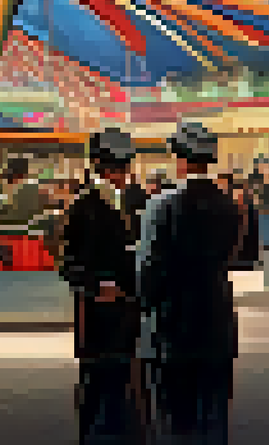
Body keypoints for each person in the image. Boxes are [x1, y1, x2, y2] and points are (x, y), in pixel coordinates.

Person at [138, 122, 243, 444]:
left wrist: (145, 306)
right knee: (214, 413)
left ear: (179, 160)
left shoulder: (161, 204)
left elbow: (150, 265)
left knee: (175, 416)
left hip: (172, 323)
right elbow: (231, 254)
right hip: (216, 319)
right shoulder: (230, 206)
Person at [61, 128, 144, 445]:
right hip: (96, 309)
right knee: (95, 381)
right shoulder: (82, 206)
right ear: (98, 166)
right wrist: (96, 286)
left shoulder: (140, 199)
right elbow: (68, 263)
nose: (120, 174)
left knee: (128, 381)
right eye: (114, 167)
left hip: (130, 306)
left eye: (124, 166)